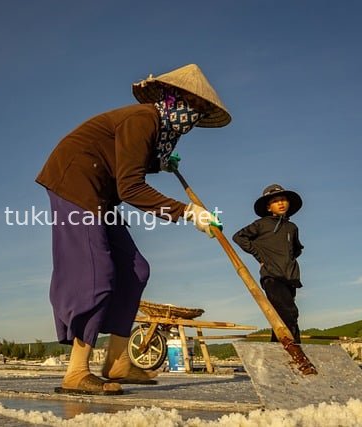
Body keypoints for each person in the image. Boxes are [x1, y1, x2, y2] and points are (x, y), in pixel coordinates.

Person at [35, 64, 230, 395]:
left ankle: (117, 362)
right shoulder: (143, 120)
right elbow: (130, 188)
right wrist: (187, 212)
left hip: (101, 192)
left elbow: (131, 164)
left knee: (136, 269)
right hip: (76, 181)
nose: (193, 116)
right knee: (95, 272)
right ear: (174, 99)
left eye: (199, 111)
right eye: (192, 106)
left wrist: (160, 162)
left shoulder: (158, 130)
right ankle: (76, 371)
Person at [232, 184, 304, 344]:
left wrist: (289, 261)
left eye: (283, 200)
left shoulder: (292, 228)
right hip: (271, 276)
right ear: (269, 207)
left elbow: (297, 249)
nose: (281, 203)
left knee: (283, 315)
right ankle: (294, 349)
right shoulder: (261, 224)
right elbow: (239, 237)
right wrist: (260, 256)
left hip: (290, 278)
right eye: (276, 201)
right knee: (289, 312)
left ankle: (278, 350)